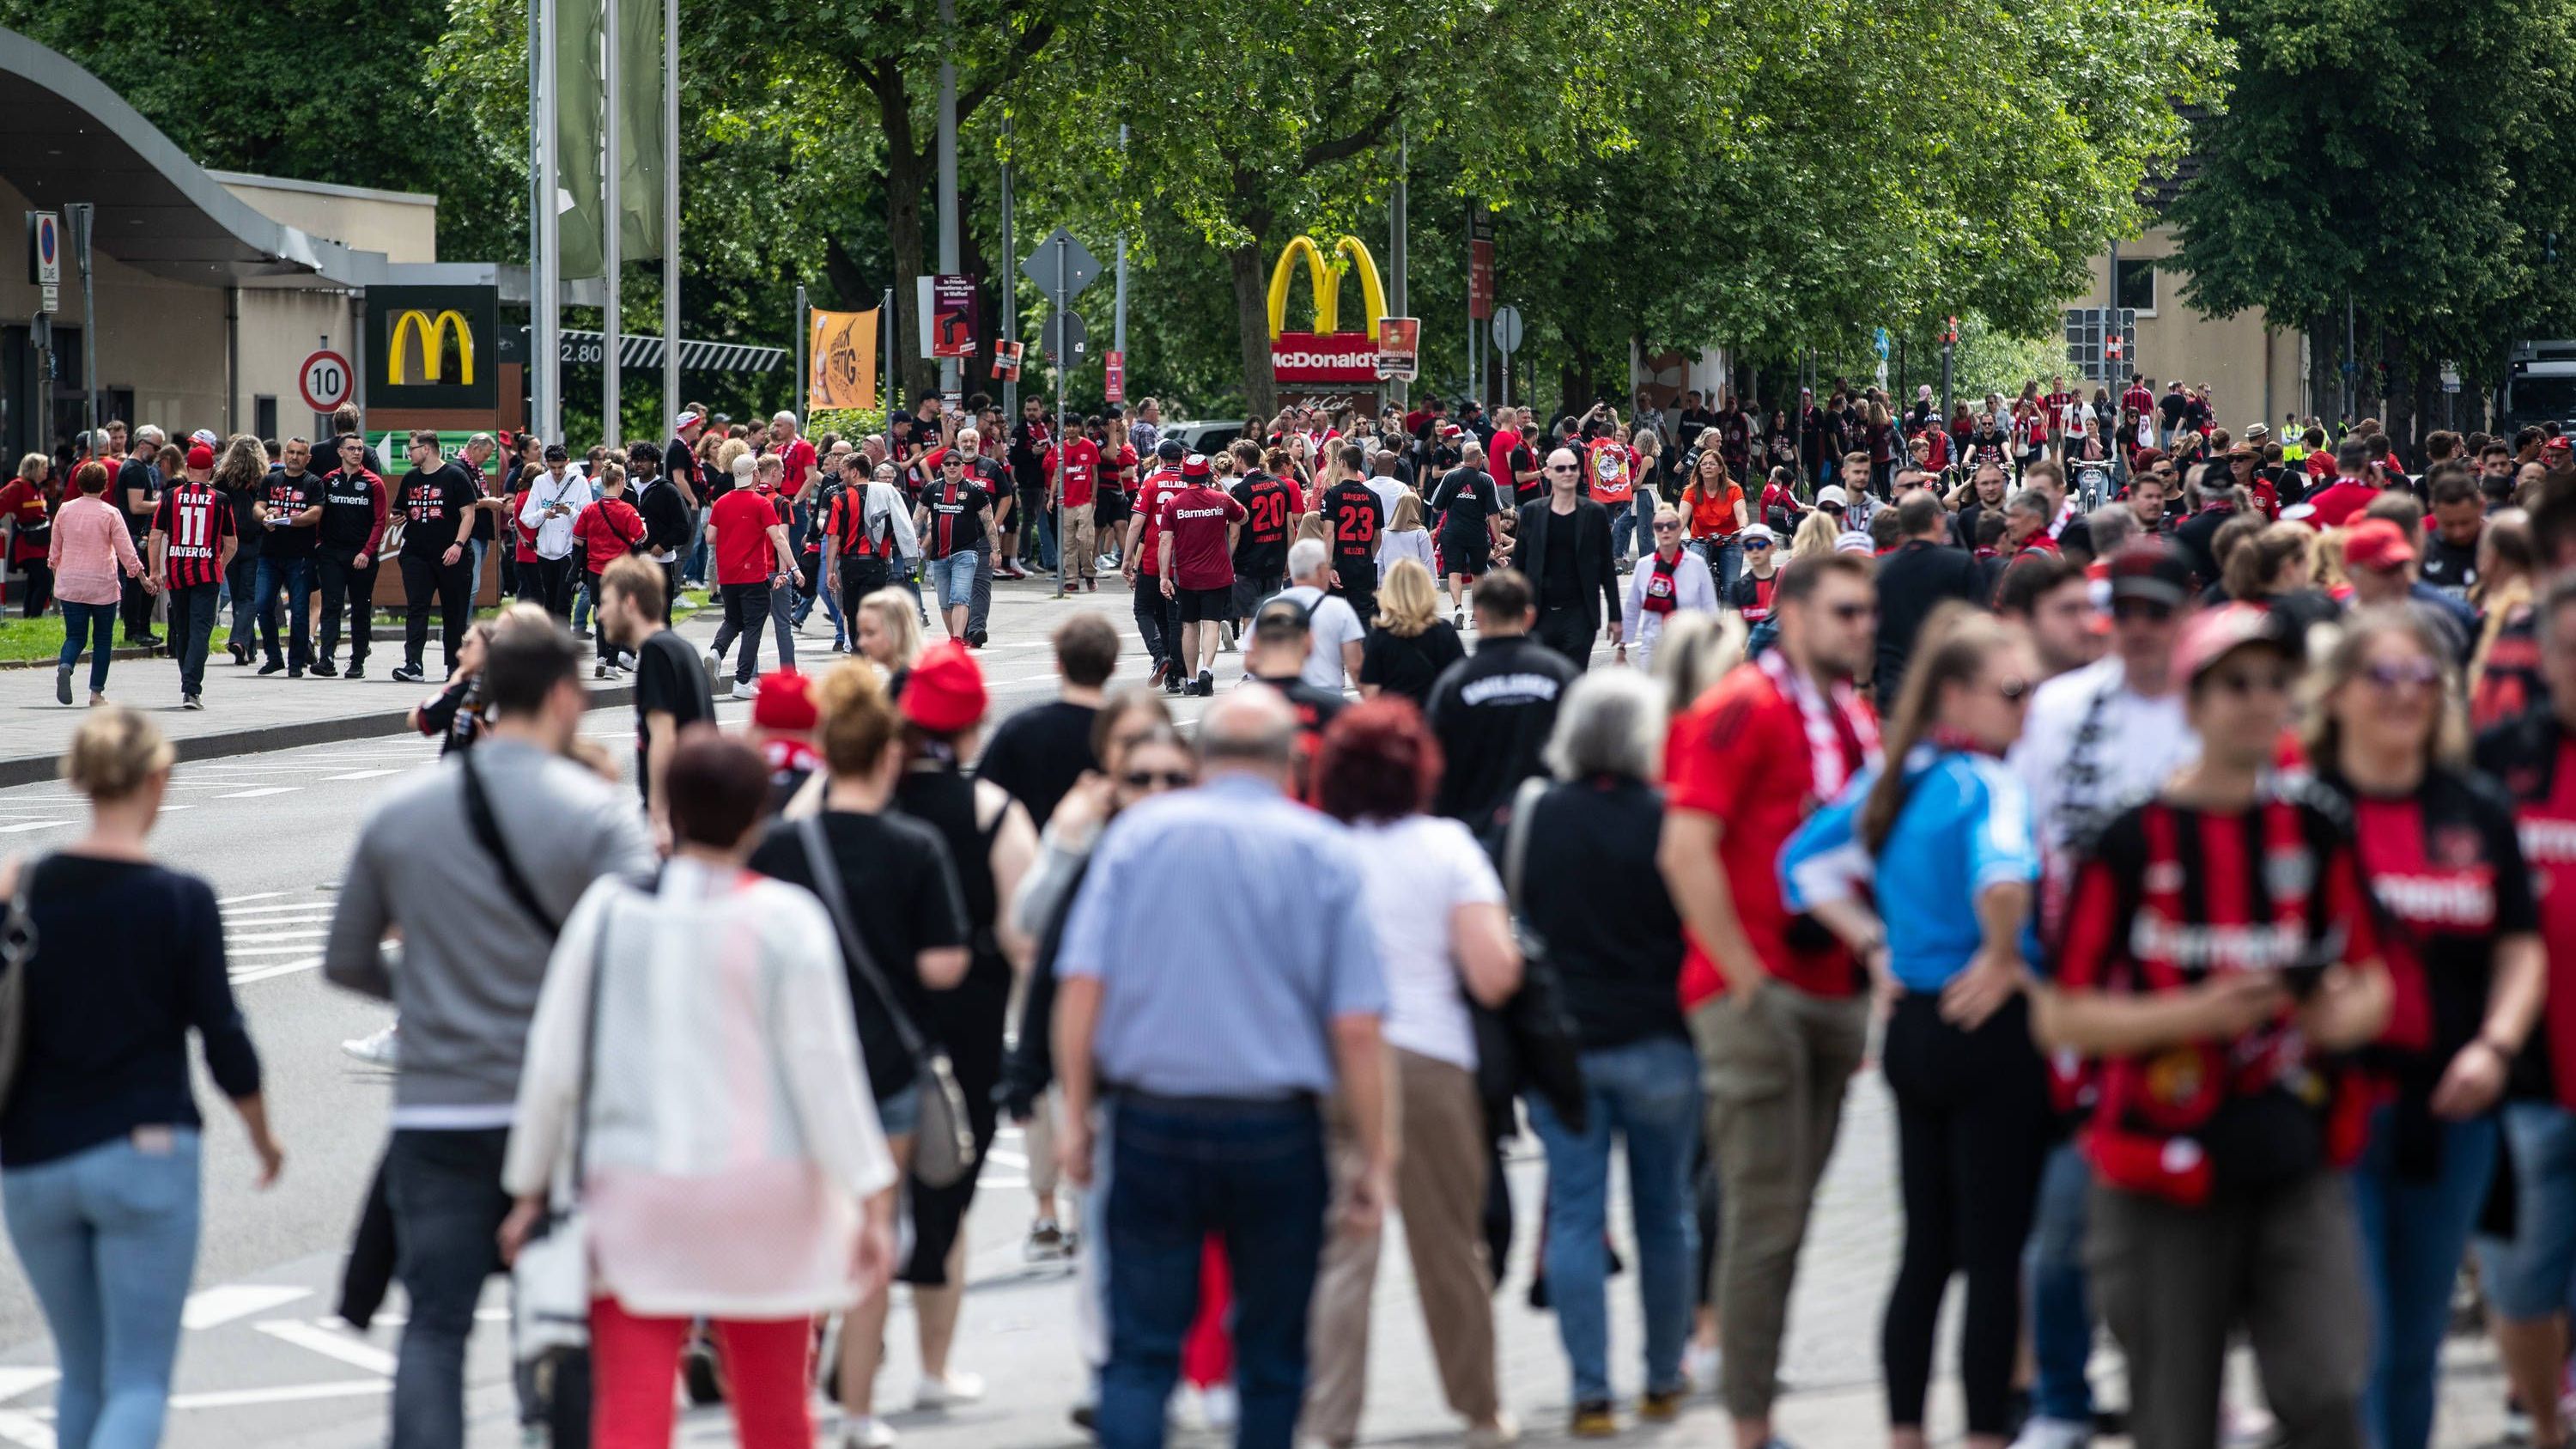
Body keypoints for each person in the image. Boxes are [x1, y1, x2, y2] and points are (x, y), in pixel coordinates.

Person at [2034, 603, 2392, 1449]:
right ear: (2193, 702)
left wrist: (2329, 1015)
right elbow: (2060, 1013)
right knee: (2174, 1409)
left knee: (2329, 1386)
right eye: (2236, 683)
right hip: (2158, 1165)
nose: (2260, 701)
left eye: (2276, 682)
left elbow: (2375, 978)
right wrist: (2194, 1013)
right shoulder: (2129, 839)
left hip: (2294, 1150)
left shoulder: (2315, 826)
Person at [499, 729, 900, 1449]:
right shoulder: (787, 919)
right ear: (757, 817)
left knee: (633, 1406)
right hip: (766, 1196)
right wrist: (869, 1195)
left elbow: (554, 1062)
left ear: (671, 810)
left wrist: (528, 1185)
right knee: (777, 1409)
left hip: (635, 1193)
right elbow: (826, 1072)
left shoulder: (608, 913)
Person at [323, 621, 656, 1449]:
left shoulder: (402, 810)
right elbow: (640, 963)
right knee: (563, 1321)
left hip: (439, 1111)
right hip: (561, 1116)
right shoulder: (598, 818)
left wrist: (431, 992)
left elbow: (345, 958)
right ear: (564, 697)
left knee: (434, 1326)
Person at [1053, 685, 1390, 1449]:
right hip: (1276, 1123)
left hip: (1151, 1116)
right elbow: (1359, 1027)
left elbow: (1080, 986)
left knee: (1140, 1350)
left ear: (1203, 759)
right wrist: (1374, 1152)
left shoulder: (1140, 840)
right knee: (1270, 1356)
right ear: (1294, 762)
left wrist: (1076, 1113)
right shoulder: (1322, 851)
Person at [1778, 607, 2049, 1449]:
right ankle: (1982, 1433)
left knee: (1926, 1248)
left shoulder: (1895, 781)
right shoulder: (1988, 785)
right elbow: (2004, 875)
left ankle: (1904, 1432)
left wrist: (1875, 945)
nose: (2026, 705)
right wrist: (2005, 954)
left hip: (1913, 1032)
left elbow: (1801, 865)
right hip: (1989, 1025)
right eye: (2014, 690)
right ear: (1961, 693)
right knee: (1996, 1250)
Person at [0, 707, 283, 1449]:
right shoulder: (179, 898)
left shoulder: (21, 891)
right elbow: (225, 1039)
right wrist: (262, 1138)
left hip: (33, 1163)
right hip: (143, 1150)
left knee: (82, 1373)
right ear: (157, 778)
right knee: (137, 1380)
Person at [2306, 608, 2544, 1449]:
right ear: (2335, 696)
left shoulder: (2474, 805)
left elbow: (2521, 943)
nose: (2407, 696)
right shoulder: (2306, 810)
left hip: (2452, 1111)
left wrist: (2498, 1044)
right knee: (2358, 1333)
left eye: (2422, 679)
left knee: (2413, 1345)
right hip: (2330, 1109)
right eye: (2383, 676)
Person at [1659, 551, 1880, 1449]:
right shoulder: (1740, 709)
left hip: (1834, 991)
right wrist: (1744, 980)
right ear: (1791, 615)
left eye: (1869, 612)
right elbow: (1685, 849)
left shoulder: (1858, 717)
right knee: (1760, 1214)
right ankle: (1750, 1423)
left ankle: (1757, 1394)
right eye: (1846, 612)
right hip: (1753, 994)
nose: (1865, 627)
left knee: (1790, 1214)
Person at [744, 666, 974, 1449]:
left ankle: (784, 1390)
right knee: (872, 1234)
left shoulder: (779, 843)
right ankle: (857, 1411)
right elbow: (946, 965)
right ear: (888, 758)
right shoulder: (915, 846)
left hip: (792, 1069)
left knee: (795, 1232)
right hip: (884, 1064)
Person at [1294, 700, 1519, 1449]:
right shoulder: (1448, 847)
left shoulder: (1318, 851)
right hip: (1430, 1061)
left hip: (1332, 1060)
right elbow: (1493, 975)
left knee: (1341, 1253)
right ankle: (1479, 1407)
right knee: (1450, 1245)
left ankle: (1329, 1421)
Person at [1516, 671, 1698, 1436]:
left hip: (1567, 1048)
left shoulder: (1537, 815)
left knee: (1576, 1216)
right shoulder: (1668, 815)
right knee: (1666, 1215)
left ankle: (1591, 1391)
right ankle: (1663, 1375)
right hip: (1660, 1037)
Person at [884, 643, 1037, 1426]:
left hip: (873, 1020)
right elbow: (1027, 937)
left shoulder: (858, 800)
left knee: (869, 1196)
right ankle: (934, 1368)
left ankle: (851, 1345)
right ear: (974, 723)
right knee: (946, 1199)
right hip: (968, 1029)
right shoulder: (993, 814)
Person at [979, 612, 1119, 829]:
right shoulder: (1126, 734)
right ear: (1112, 667)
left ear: (1059, 665)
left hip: (1028, 850)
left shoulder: (1020, 731)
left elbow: (984, 800)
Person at [144, 442, 237, 711]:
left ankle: (187, 681)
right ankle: (191, 688)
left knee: (183, 629)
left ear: (188, 468)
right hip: (207, 573)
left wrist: (154, 571)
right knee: (200, 631)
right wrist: (219, 564)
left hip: (177, 572)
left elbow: (155, 536)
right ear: (211, 470)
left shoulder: (170, 496)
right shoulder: (220, 500)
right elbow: (231, 544)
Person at [1871, 490, 1987, 702]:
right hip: (1947, 687)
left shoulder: (1879, 569)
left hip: (1894, 686)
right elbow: (1978, 625)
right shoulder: (1962, 565)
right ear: (1937, 521)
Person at [707, 455, 805, 701]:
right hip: (753, 574)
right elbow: (778, 539)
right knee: (753, 626)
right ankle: (742, 680)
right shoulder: (761, 504)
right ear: (755, 475)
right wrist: (793, 568)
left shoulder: (721, 503)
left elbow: (710, 537)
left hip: (727, 575)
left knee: (732, 620)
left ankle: (716, 652)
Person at [49, 461, 145, 707]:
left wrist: (57, 578)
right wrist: (141, 577)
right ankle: (96, 693)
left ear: (79, 484)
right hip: (102, 584)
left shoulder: (65, 510)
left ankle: (65, 665)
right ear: (105, 486)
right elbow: (127, 551)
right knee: (103, 639)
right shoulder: (110, 513)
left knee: (75, 636)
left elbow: (55, 552)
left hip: (71, 582)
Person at [1515, 447, 1622, 664]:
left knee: (1574, 676)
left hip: (1580, 613)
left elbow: (1607, 569)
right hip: (1539, 613)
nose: (1568, 473)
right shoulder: (1531, 512)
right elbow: (1519, 566)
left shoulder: (1595, 513)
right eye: (1561, 468)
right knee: (1544, 679)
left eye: (1573, 467)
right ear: (1547, 473)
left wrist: (1615, 616)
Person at [390, 432, 482, 686]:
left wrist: (458, 545)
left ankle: (454, 665)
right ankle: (413, 664)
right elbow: (401, 510)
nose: (409, 453)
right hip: (417, 554)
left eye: (412, 448)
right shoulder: (410, 478)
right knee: (416, 607)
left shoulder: (454, 476)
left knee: (454, 611)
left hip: (451, 555)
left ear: (427, 449)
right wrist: (397, 517)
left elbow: (468, 515)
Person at [1157, 454, 1249, 698]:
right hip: (1217, 573)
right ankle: (1207, 670)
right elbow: (1244, 517)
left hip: (1187, 575)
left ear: (1185, 476)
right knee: (1211, 624)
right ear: (1208, 475)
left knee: (1189, 625)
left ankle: (1190, 677)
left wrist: (1164, 577)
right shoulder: (1221, 500)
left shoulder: (1173, 504)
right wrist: (1224, 493)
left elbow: (1165, 541)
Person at [315, 434, 390, 679]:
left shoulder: (374, 483)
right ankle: (326, 658)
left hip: (362, 556)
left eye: (359, 449)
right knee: (331, 605)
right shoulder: (329, 480)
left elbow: (380, 522)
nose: (357, 453)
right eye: (351, 449)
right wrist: (319, 543)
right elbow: (319, 514)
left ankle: (357, 660)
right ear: (340, 452)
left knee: (360, 607)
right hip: (331, 554)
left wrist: (367, 552)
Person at [1619, 503, 1719, 673]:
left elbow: (1710, 608)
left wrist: (1715, 647)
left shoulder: (1696, 564)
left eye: (1671, 526)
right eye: (1659, 527)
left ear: (1680, 529)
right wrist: (1622, 648)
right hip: (1653, 647)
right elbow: (1632, 607)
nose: (1665, 530)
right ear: (1654, 531)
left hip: (1688, 648)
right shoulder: (1644, 566)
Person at [1356, 558, 1467, 709]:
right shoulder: (1442, 630)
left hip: (1395, 721)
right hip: (1434, 718)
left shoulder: (1379, 636)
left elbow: (1371, 692)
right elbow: (1460, 679)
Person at [914, 449, 998, 645]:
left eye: (956, 463)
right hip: (939, 555)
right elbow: (918, 518)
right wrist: (912, 540)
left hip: (966, 553)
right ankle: (955, 636)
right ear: (942, 467)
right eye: (948, 464)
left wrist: (996, 550)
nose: (952, 467)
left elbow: (989, 522)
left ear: (963, 466)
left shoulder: (974, 490)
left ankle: (958, 639)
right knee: (945, 602)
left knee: (960, 596)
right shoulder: (932, 489)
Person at [572, 461, 647, 673]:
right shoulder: (627, 510)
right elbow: (641, 537)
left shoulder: (590, 510)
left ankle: (601, 658)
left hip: (595, 570)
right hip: (619, 571)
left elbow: (577, 539)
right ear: (621, 481)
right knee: (619, 615)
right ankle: (612, 664)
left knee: (600, 613)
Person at [1274, 537, 1369, 693]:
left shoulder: (1270, 607)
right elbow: (1356, 666)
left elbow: (1252, 662)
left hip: (1286, 701)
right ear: (1320, 570)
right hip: (1326, 698)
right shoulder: (1339, 609)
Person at [1430, 442, 1506, 626]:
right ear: (1479, 459)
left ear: (1464, 459)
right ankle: (1475, 617)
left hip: (1453, 532)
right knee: (1478, 574)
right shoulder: (1486, 480)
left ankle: (1458, 608)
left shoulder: (1450, 477)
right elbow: (1494, 513)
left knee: (1454, 573)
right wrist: (1498, 541)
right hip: (1477, 534)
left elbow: (1435, 505)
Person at [1321, 451, 1388, 631]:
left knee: (1333, 616)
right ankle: (1364, 655)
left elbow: (1329, 532)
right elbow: (1377, 536)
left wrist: (1329, 564)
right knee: (1364, 617)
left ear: (1342, 462)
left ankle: (1337, 656)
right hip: (1363, 564)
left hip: (1339, 564)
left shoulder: (1333, 494)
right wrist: (1367, 555)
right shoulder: (1373, 497)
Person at [854, 588, 924, 695]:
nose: (861, 643)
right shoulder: (905, 677)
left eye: (870, 633)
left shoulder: (905, 684)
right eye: (861, 633)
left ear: (898, 630)